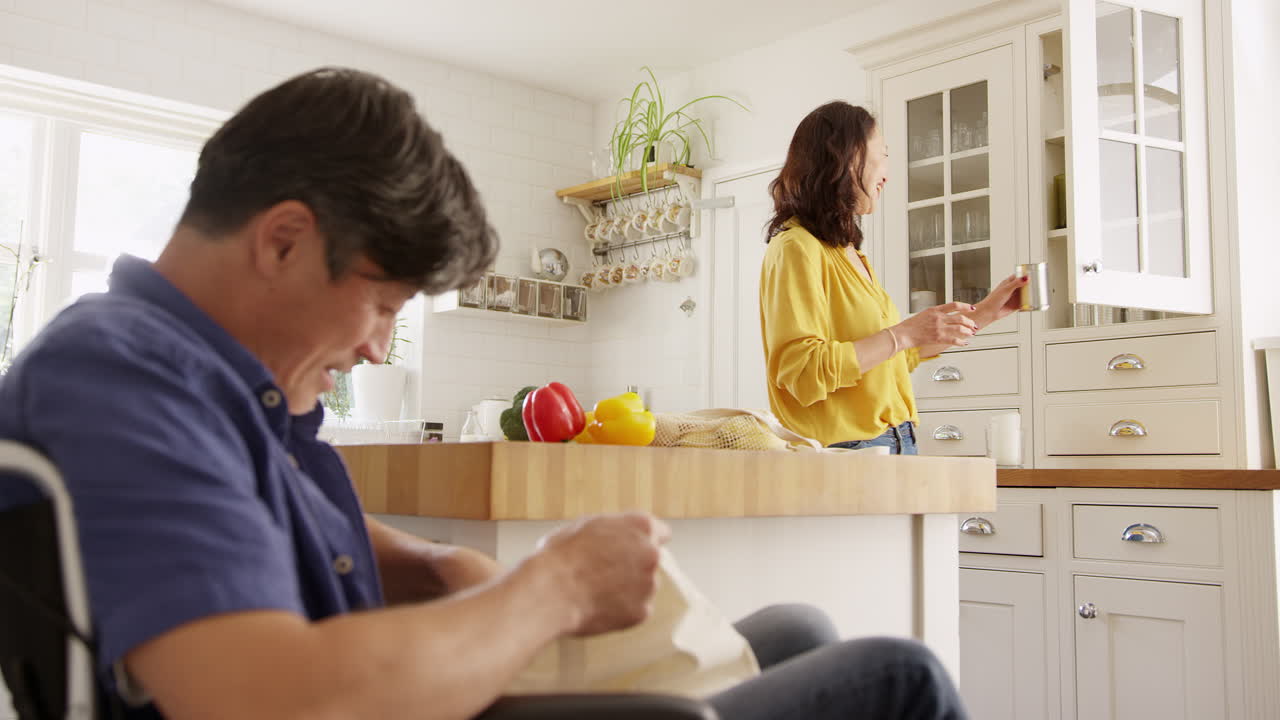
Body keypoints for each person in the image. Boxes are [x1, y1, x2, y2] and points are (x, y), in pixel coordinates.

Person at [0, 70, 966, 720]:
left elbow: (280, 525)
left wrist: (440, 566)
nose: (378, 348)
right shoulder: (124, 382)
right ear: (283, 240)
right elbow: (265, 699)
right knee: (900, 676)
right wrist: (552, 591)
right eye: (384, 304)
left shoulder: (199, 380)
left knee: (799, 631)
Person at [759, 101, 1025, 454]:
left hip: (897, 442)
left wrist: (986, 313)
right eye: (882, 155)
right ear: (847, 157)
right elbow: (803, 373)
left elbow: (893, 358)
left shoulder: (847, 252)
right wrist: (903, 334)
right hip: (847, 451)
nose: (887, 174)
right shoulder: (796, 248)